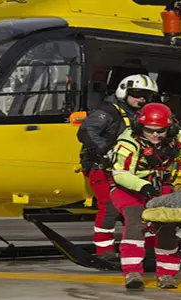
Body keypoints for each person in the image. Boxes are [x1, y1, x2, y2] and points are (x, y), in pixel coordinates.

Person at [109, 102, 181, 290]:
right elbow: (120, 174)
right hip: (128, 187)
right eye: (149, 130)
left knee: (166, 226)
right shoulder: (127, 143)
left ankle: (167, 273)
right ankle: (132, 271)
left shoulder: (177, 138)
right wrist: (143, 186)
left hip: (161, 186)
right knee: (136, 221)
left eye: (160, 131)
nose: (155, 135)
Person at [76, 74, 159, 260]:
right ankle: (104, 249)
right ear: (125, 91)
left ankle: (146, 245)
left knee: (142, 207)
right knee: (110, 207)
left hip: (130, 170)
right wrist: (106, 149)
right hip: (102, 167)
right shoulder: (108, 112)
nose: (142, 99)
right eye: (137, 94)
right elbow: (86, 131)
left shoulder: (140, 116)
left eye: (147, 96)